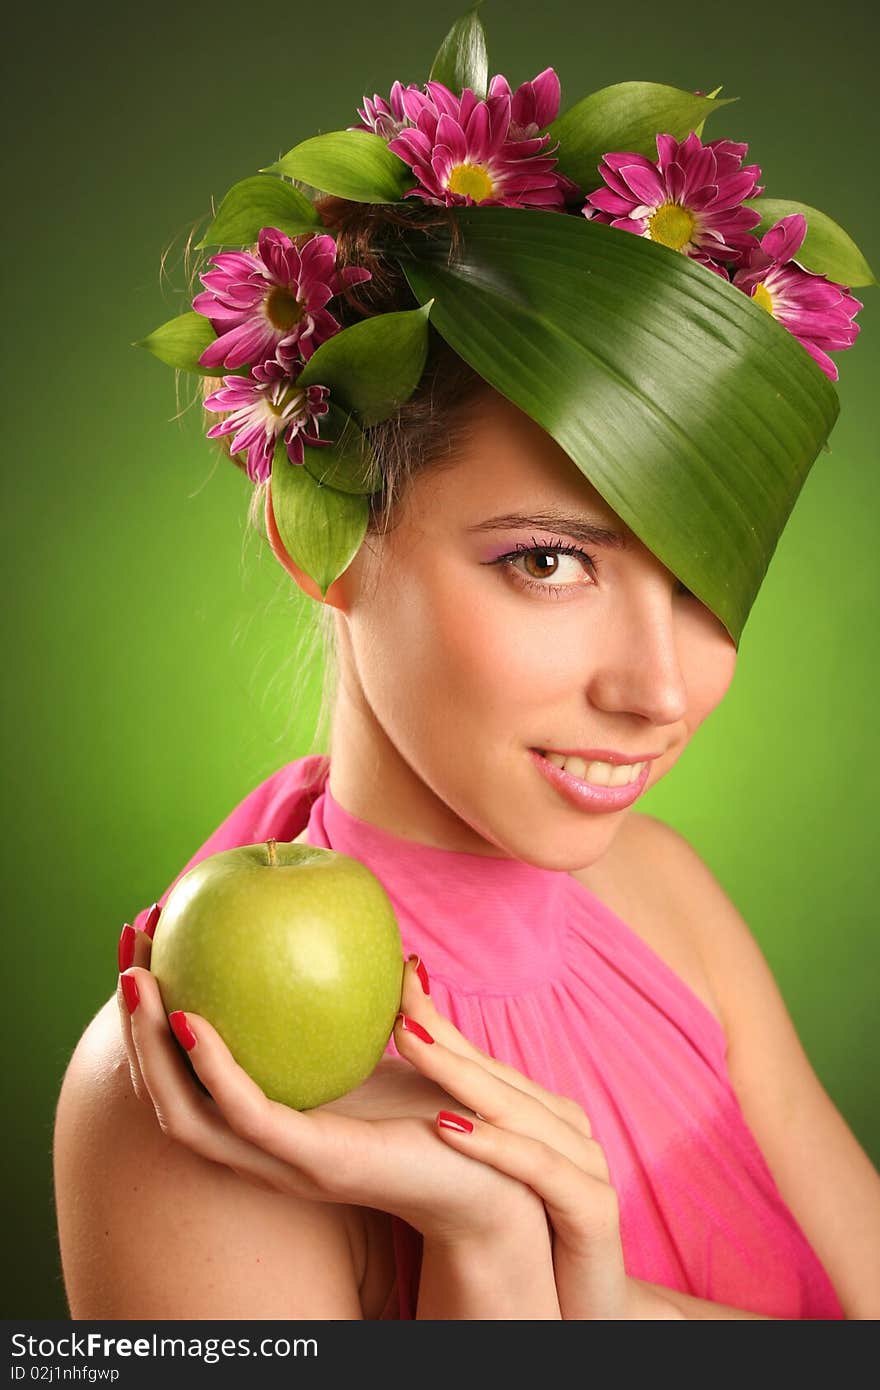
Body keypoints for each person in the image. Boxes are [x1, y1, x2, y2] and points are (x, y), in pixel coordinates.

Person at [52, 8, 879, 1320]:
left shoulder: (659, 891)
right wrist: (488, 1274)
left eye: (707, 578)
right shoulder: (198, 1091)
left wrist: (593, 1305)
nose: (662, 691)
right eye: (553, 559)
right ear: (319, 541)